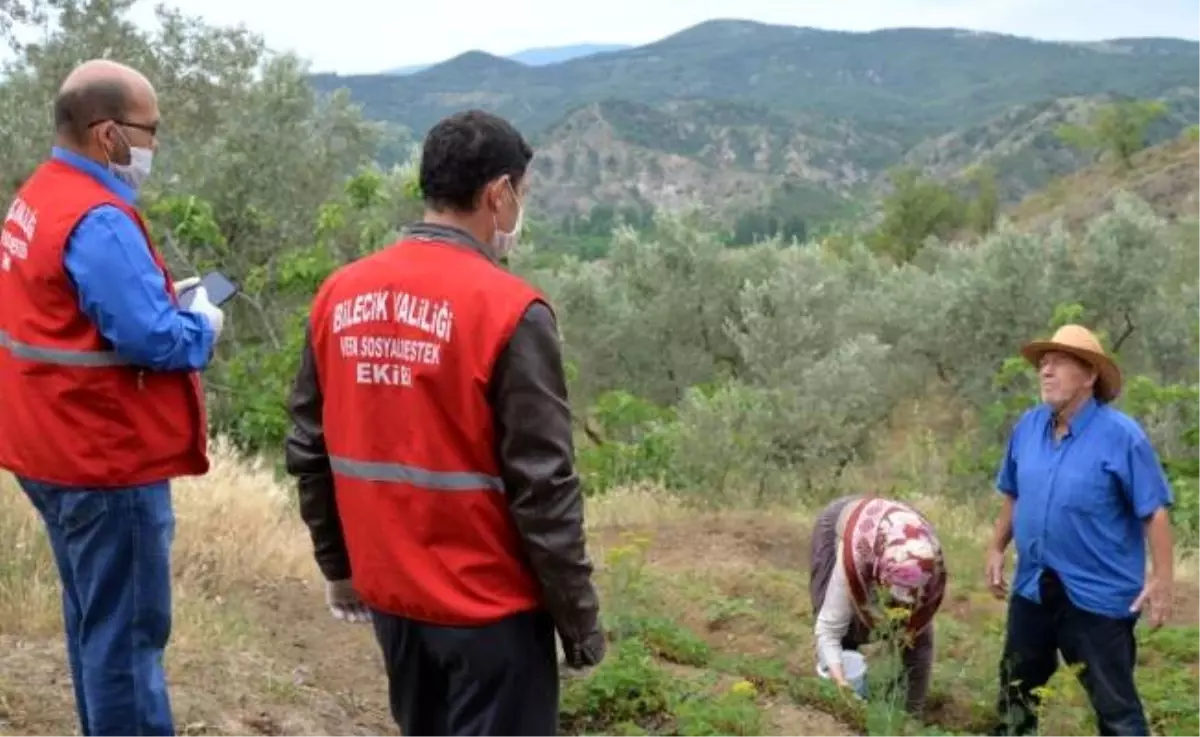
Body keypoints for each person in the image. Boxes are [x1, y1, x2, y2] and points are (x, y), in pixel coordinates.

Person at [284, 108, 605, 737]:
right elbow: (545, 488)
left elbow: (308, 447)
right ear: (498, 194)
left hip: (394, 601)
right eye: (523, 193)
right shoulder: (512, 311)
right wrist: (580, 623)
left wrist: (338, 567)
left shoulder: (339, 295)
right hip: (492, 615)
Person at [0, 60, 225, 736]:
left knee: (95, 623)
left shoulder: (38, 196)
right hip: (103, 461)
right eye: (149, 130)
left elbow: (71, 309)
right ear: (107, 134)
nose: (154, 143)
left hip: (46, 446)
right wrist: (203, 324)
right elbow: (154, 338)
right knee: (127, 641)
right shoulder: (97, 218)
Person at [986, 324, 1175, 737]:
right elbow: (1014, 493)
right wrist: (997, 547)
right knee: (1016, 693)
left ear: (1089, 375)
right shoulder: (1028, 427)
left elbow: (1154, 511)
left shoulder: (1122, 437)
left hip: (1098, 597)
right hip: (1033, 587)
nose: (1045, 372)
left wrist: (1162, 579)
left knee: (1117, 712)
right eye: (1043, 364)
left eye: (1058, 363)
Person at [809, 494, 947, 715]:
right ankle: (842, 694)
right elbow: (828, 629)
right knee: (845, 630)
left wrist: (911, 718)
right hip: (844, 527)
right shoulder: (857, 562)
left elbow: (919, 641)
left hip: (891, 530)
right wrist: (842, 681)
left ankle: (911, 710)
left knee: (917, 641)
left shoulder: (929, 567)